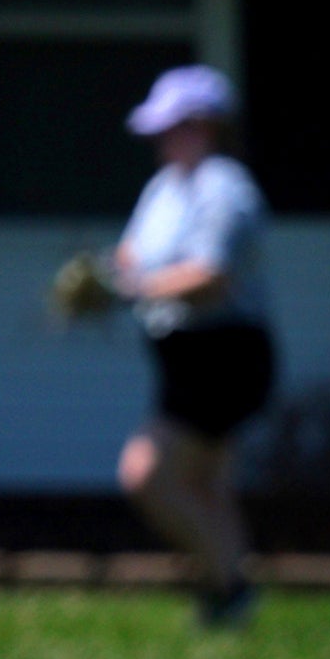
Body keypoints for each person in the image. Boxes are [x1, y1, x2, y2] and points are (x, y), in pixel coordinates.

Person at [108, 65, 276, 628]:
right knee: (204, 484)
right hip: (182, 355)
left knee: (146, 474)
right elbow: (131, 257)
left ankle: (228, 587)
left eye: (174, 127)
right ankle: (230, 603)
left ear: (205, 126)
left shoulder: (225, 187)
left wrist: (127, 289)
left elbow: (210, 275)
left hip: (223, 357)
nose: (162, 140)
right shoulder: (165, 188)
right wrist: (101, 278)